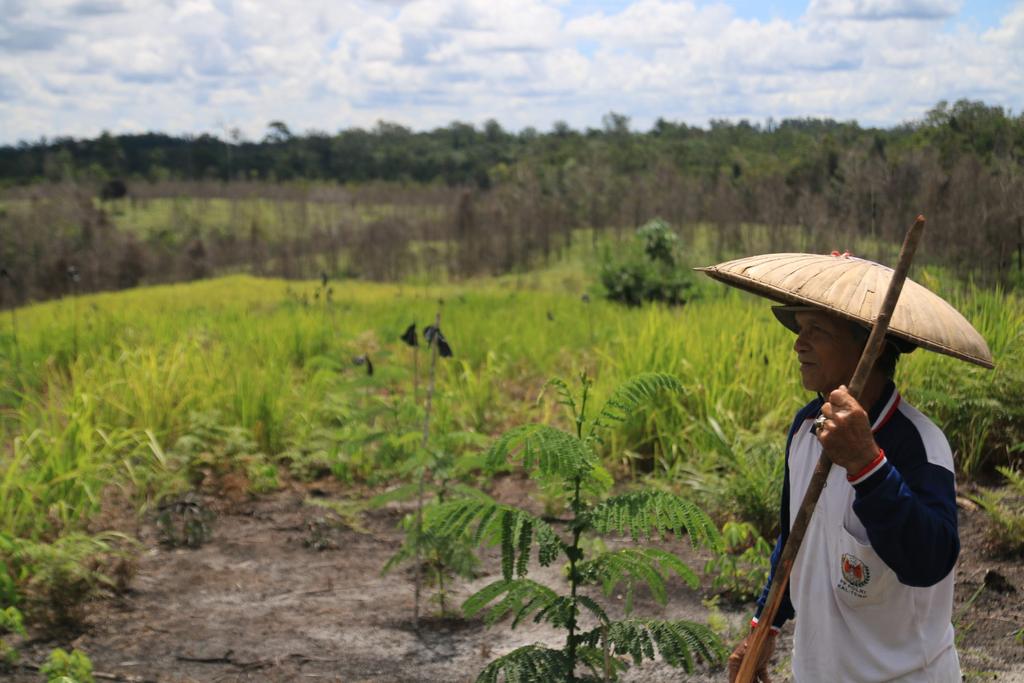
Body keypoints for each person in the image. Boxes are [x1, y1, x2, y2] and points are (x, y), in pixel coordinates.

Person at [728, 305, 961, 682]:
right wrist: (764, 626)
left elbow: (930, 563)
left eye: (816, 330)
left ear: (873, 344)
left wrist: (867, 465)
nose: (798, 345)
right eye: (799, 329)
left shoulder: (920, 447)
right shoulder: (807, 428)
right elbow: (795, 541)